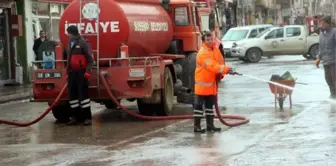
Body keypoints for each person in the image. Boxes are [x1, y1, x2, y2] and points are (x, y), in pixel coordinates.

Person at [193, 31, 232, 133]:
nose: (210, 41)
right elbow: (212, 66)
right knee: (198, 107)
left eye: (211, 39)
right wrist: (226, 69)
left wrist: (222, 73)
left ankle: (210, 126)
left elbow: (220, 62)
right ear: (203, 41)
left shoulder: (215, 50)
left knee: (210, 106)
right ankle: (196, 127)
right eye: (207, 40)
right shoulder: (202, 54)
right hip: (202, 85)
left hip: (211, 84)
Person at [66, 25, 93, 125]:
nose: (67, 35)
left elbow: (90, 59)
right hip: (72, 72)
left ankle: (87, 118)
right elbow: (68, 58)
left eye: (68, 33)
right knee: (72, 96)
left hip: (81, 72)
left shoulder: (83, 43)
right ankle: (76, 117)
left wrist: (87, 71)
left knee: (83, 96)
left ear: (73, 33)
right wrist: (67, 72)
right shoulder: (69, 43)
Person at [315, 15, 336, 99]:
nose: (321, 24)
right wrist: (318, 58)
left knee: (335, 79)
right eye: (321, 23)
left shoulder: (334, 32)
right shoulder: (322, 34)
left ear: (328, 23)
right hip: (326, 61)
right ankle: (333, 94)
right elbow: (321, 47)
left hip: (334, 61)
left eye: (323, 23)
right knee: (328, 79)